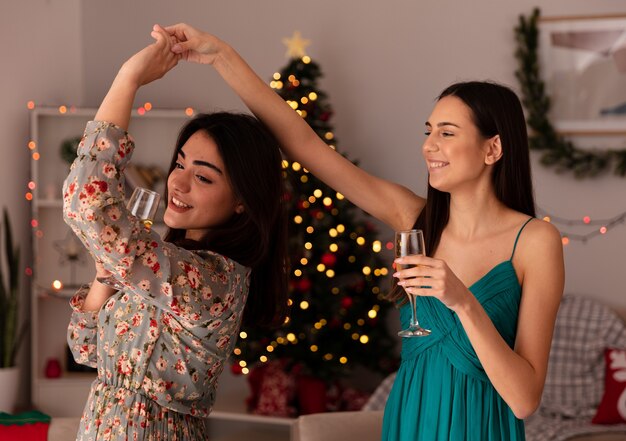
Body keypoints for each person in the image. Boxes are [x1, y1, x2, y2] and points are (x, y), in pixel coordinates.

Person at [160, 23, 565, 440]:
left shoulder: (536, 242)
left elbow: (524, 399)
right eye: (429, 132)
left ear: (492, 149)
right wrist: (221, 55)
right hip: (409, 421)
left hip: (482, 427)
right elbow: (305, 146)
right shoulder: (414, 217)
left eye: (447, 133)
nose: (429, 146)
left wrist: (463, 302)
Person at [63, 26, 288, 440]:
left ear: (243, 199)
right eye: (180, 164)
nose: (178, 184)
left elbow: (87, 203)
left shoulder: (212, 279)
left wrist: (128, 78)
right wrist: (103, 275)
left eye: (203, 178)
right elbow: (86, 348)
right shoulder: (163, 266)